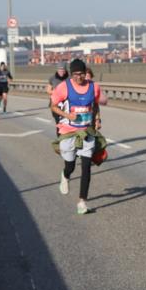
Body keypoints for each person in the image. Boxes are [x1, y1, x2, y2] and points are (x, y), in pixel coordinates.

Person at [50, 58, 102, 215]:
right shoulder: (63, 87)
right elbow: (52, 106)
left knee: (86, 167)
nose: (79, 77)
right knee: (70, 165)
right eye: (75, 75)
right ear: (71, 74)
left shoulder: (94, 87)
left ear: (86, 73)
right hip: (68, 131)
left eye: (81, 74)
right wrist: (67, 115)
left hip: (86, 131)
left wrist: (98, 119)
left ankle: (82, 202)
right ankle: (65, 176)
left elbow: (96, 104)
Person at [46, 62, 68, 134]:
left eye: (63, 70)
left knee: (66, 121)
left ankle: (66, 136)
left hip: (66, 103)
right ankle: (60, 137)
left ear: (65, 70)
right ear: (57, 70)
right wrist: (58, 93)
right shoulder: (52, 78)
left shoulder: (69, 78)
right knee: (58, 121)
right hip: (55, 104)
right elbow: (48, 90)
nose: (61, 71)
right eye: (60, 69)